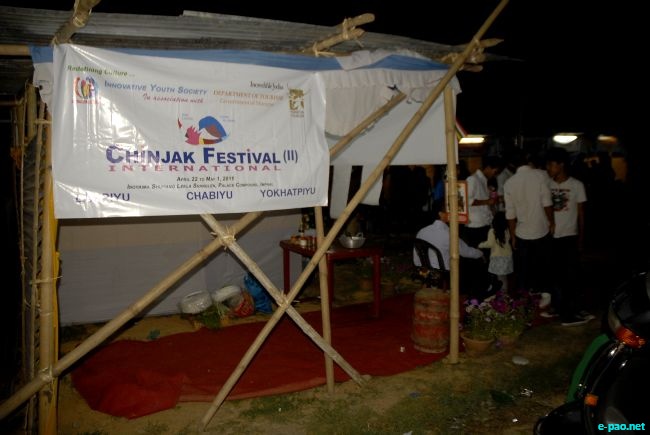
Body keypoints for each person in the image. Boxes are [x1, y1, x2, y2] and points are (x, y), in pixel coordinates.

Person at [545, 147, 593, 326]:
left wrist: (581, 237)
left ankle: (570, 311)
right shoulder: (546, 184)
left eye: (551, 164)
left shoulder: (576, 185)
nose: (548, 168)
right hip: (550, 236)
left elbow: (581, 214)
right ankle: (557, 307)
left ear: (561, 165)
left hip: (569, 235)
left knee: (570, 276)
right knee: (553, 274)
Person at [503, 149, 554, 295]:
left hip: (522, 233)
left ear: (512, 165)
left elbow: (510, 214)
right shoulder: (541, 175)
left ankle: (523, 300)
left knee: (523, 271)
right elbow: (547, 203)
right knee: (543, 268)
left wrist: (513, 236)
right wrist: (551, 222)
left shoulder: (509, 183)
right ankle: (543, 297)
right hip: (541, 230)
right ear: (527, 159)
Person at [413, 206, 492, 298]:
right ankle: (473, 293)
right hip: (442, 272)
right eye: (450, 212)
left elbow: (416, 256)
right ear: (440, 214)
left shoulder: (422, 231)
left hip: (424, 269)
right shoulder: (448, 233)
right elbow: (466, 252)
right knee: (471, 260)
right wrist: (481, 253)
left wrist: (421, 267)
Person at [463, 155, 503, 250]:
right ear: (488, 167)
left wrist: (495, 199)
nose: (495, 174)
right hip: (475, 225)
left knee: (485, 252)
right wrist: (487, 201)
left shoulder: (484, 180)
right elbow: (465, 200)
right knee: (477, 253)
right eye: (495, 171)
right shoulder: (472, 179)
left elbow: (486, 201)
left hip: (485, 222)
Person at [478, 211, 514, 292]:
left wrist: (480, 244)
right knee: (504, 277)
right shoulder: (507, 230)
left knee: (500, 278)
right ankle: (505, 292)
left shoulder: (492, 231)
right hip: (507, 257)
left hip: (497, 257)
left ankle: (503, 294)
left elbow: (490, 244)